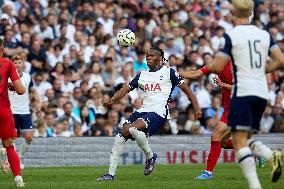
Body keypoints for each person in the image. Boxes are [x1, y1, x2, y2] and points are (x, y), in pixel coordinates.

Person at [206, 0, 284, 188]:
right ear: (251, 13)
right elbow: (280, 60)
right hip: (261, 93)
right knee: (244, 138)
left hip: (242, 92)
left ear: (233, 12)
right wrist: (260, 71)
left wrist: (209, 70)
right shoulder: (265, 34)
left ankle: (267, 157)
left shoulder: (230, 36)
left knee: (240, 142)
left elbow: (217, 66)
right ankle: (263, 162)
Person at [96, 47, 202, 181]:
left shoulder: (169, 72)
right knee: (121, 134)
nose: (148, 58)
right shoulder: (142, 75)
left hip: (159, 112)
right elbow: (125, 89)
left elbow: (188, 91)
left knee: (133, 128)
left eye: (151, 56)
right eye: (147, 56)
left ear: (160, 58)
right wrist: (112, 100)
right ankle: (111, 174)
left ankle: (150, 156)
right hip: (143, 110)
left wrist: (197, 108)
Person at [180, 61, 265, 180]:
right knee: (223, 143)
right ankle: (256, 149)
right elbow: (197, 73)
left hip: (239, 106)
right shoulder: (217, 64)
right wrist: (177, 73)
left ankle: (208, 172)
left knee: (216, 135)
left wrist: (222, 84)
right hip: (228, 107)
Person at [8, 55, 42, 169]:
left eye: (19, 62)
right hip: (11, 110)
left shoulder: (27, 77)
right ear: (12, 64)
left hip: (25, 110)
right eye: (15, 63)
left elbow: (33, 90)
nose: (17, 65)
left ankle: (18, 158)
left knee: (28, 137)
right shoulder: (7, 77)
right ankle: (13, 162)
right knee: (12, 137)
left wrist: (39, 101)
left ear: (22, 64)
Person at [0, 38, 26, 187]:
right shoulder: (8, 64)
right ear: (2, 47)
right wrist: (11, 85)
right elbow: (21, 90)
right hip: (3, 109)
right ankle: (18, 179)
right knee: (9, 145)